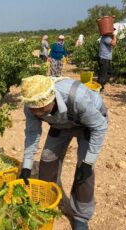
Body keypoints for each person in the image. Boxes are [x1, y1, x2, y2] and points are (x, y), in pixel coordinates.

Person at [18, 75, 108, 230]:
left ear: (51, 99)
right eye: (33, 110)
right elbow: (33, 133)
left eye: (41, 108)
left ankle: (81, 216)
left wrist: (89, 162)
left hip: (88, 125)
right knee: (47, 160)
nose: (37, 113)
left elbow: (99, 127)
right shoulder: (31, 105)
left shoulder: (77, 98)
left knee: (84, 170)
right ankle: (48, 201)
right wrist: (26, 165)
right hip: (60, 124)